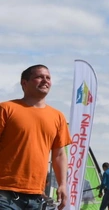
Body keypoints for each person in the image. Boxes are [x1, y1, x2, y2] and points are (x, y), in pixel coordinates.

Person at [0, 65, 72, 210]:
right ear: (24, 83)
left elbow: (59, 154)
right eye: (39, 77)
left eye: (48, 78)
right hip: (4, 192)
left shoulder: (57, 116)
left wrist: (63, 185)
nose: (45, 80)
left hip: (37, 196)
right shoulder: (6, 108)